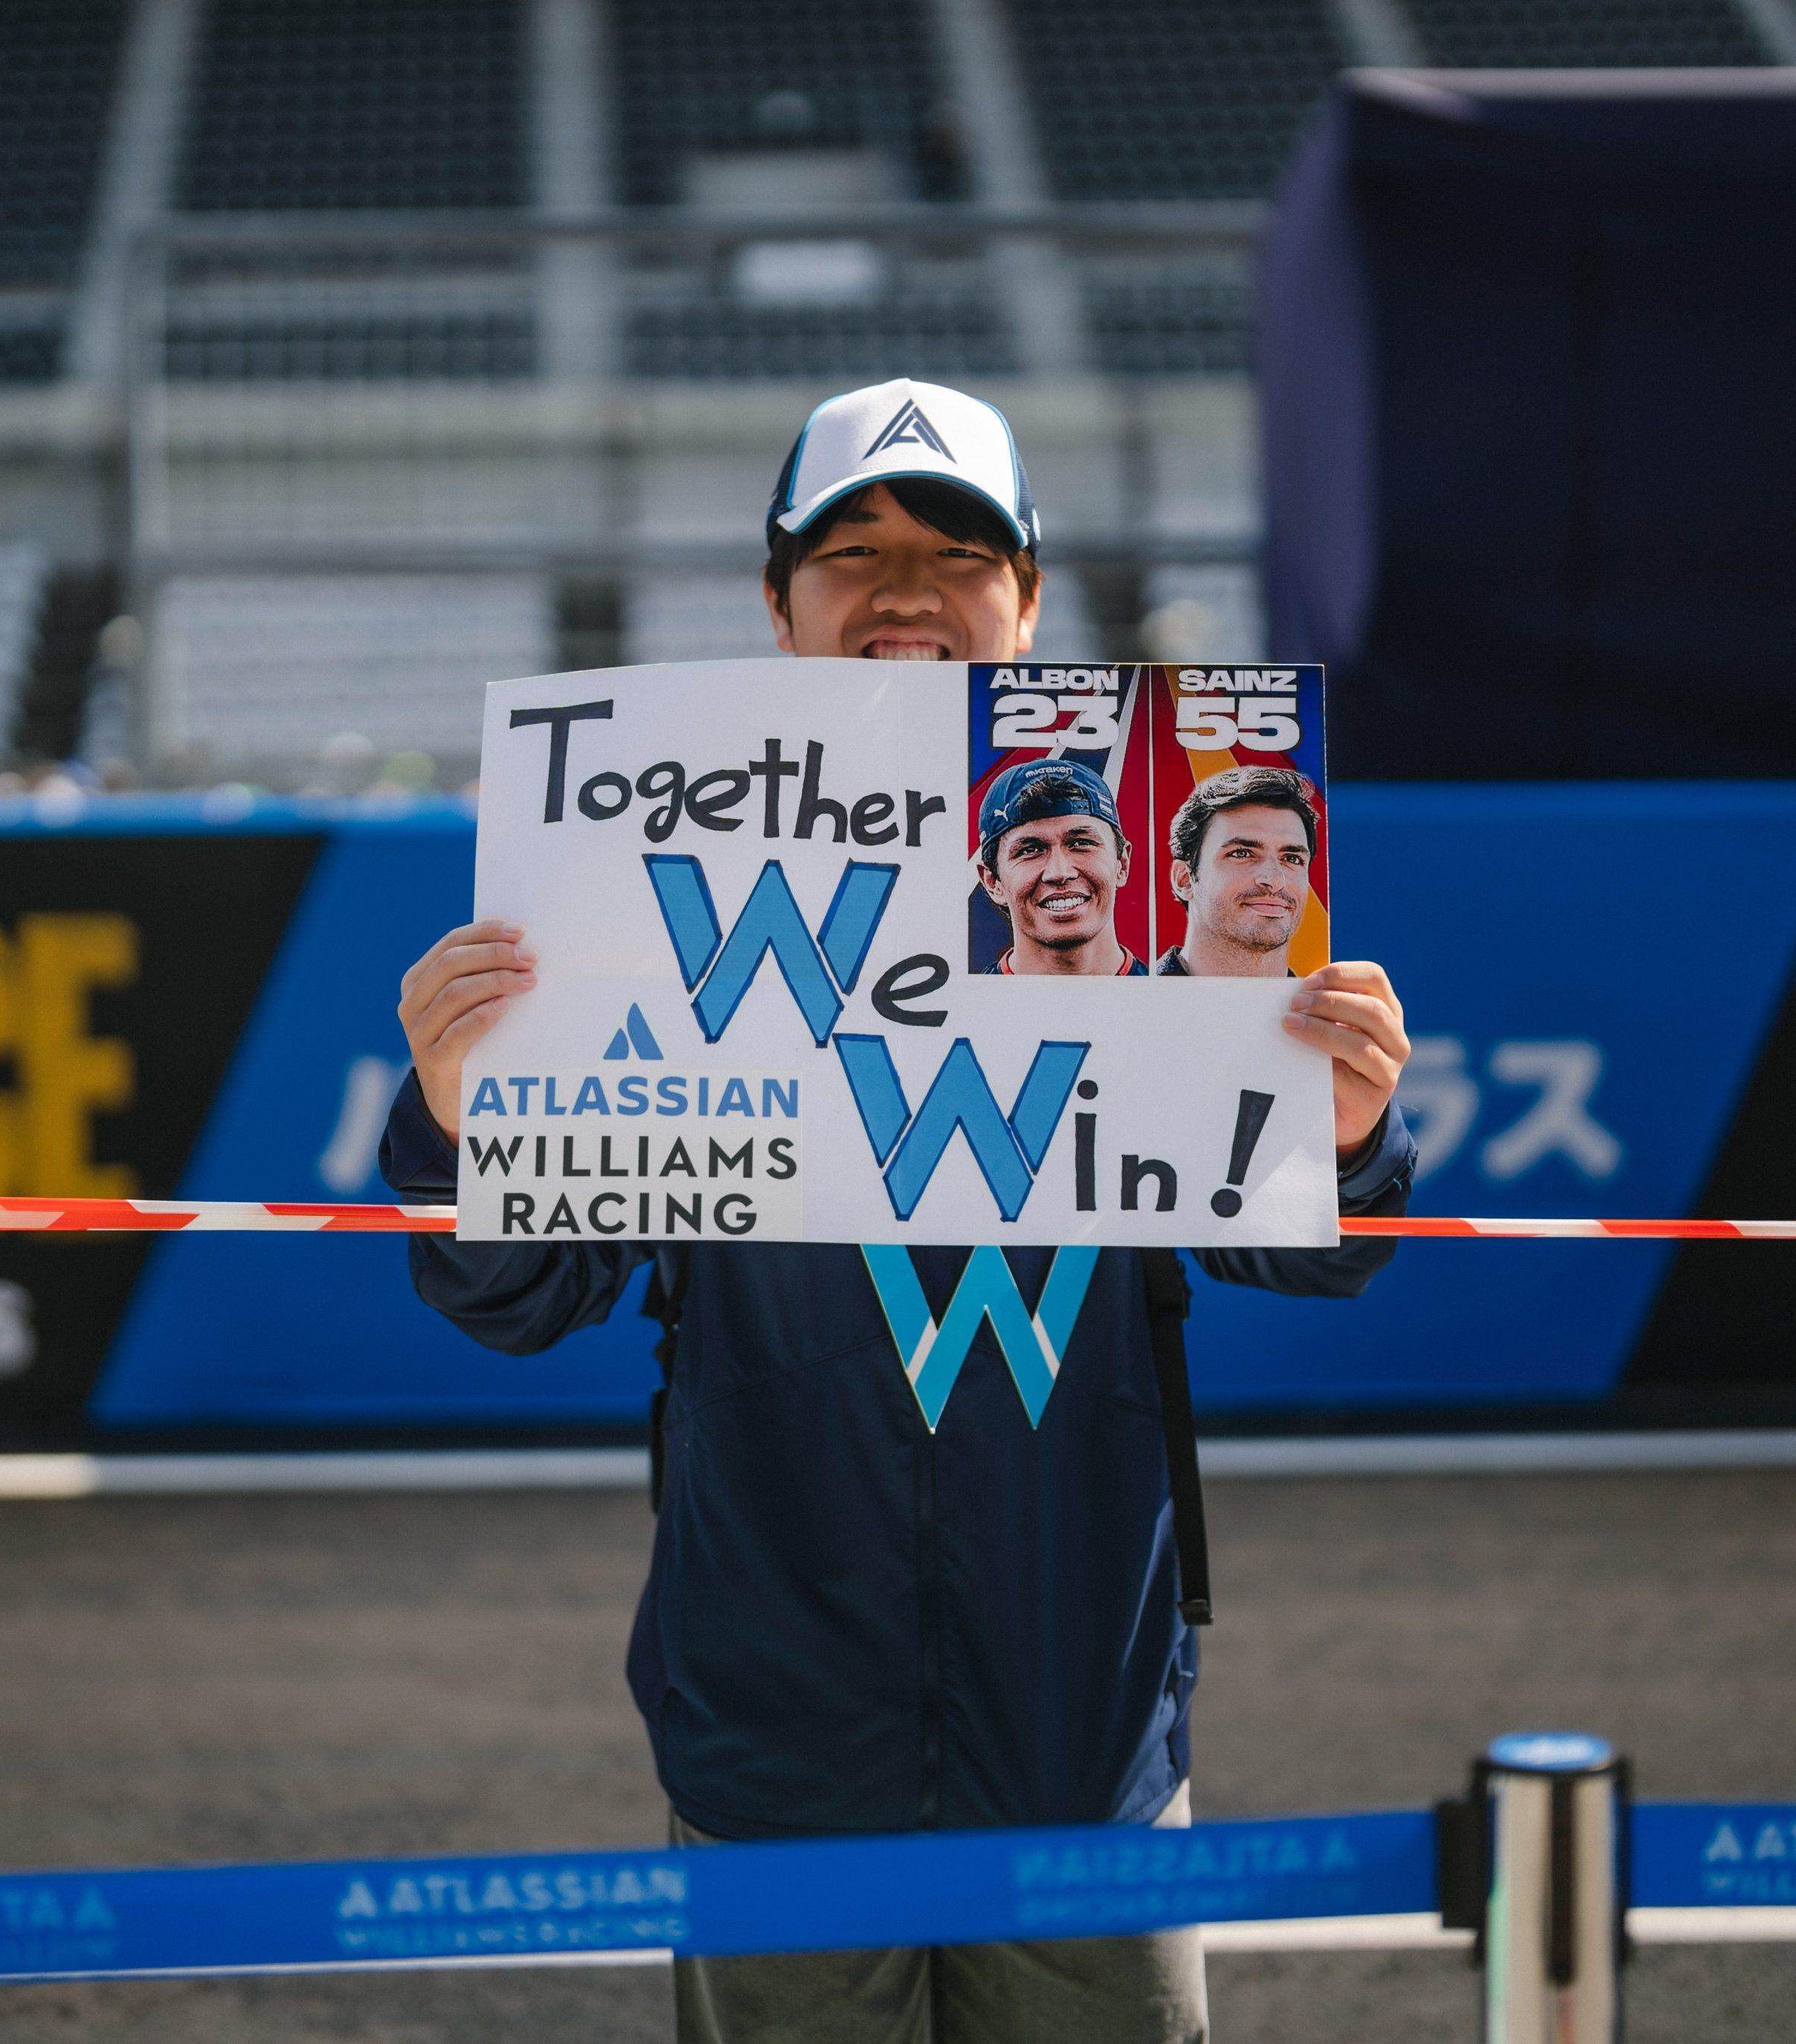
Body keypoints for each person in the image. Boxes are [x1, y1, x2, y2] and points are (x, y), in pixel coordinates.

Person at [383, 377, 1416, 2044]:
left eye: (958, 549)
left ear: (1025, 596)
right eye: (851, 550)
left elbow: (1302, 1247)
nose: (906, 589)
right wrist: (455, 1116)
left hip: (1085, 1745)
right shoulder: (638, 881)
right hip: (769, 1740)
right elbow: (517, 1296)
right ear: (776, 602)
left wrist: (1349, 1133)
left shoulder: (1132, 904)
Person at [974, 758, 1139, 976]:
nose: (1060, 873)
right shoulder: (965, 1008)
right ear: (993, 881)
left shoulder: (1177, 1004)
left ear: (1122, 864)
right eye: (1030, 850)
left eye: (1082, 843)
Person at [1156, 767, 1317, 979]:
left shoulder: (1324, 1008)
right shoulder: (1122, 1004)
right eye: (1242, 854)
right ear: (1184, 879)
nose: (1275, 880)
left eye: (1291, 858)